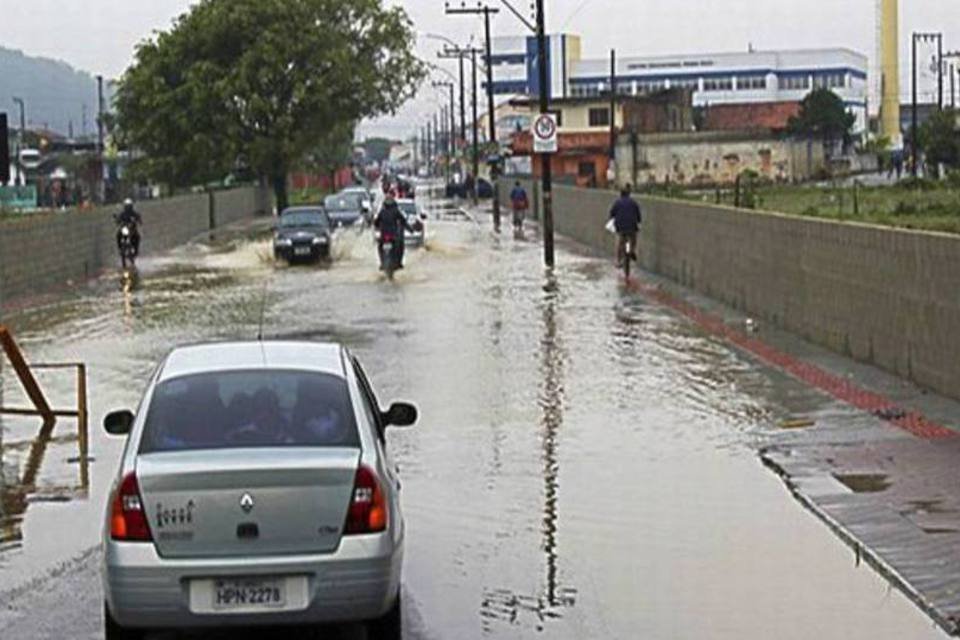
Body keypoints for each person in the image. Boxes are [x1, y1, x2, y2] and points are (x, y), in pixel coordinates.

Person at [374, 194, 413, 270]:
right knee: (400, 245)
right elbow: (403, 221)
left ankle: (382, 263)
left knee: (380, 246)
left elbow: (376, 222)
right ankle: (398, 263)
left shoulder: (382, 212)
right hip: (392, 236)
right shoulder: (395, 211)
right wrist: (410, 229)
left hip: (385, 236)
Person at [609, 185, 642, 268]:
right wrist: (638, 222)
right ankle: (632, 250)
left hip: (620, 226)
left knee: (620, 242)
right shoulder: (633, 202)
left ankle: (618, 260)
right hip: (632, 226)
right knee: (633, 238)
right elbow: (638, 215)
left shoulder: (617, 202)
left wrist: (613, 218)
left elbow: (612, 213)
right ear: (629, 194)